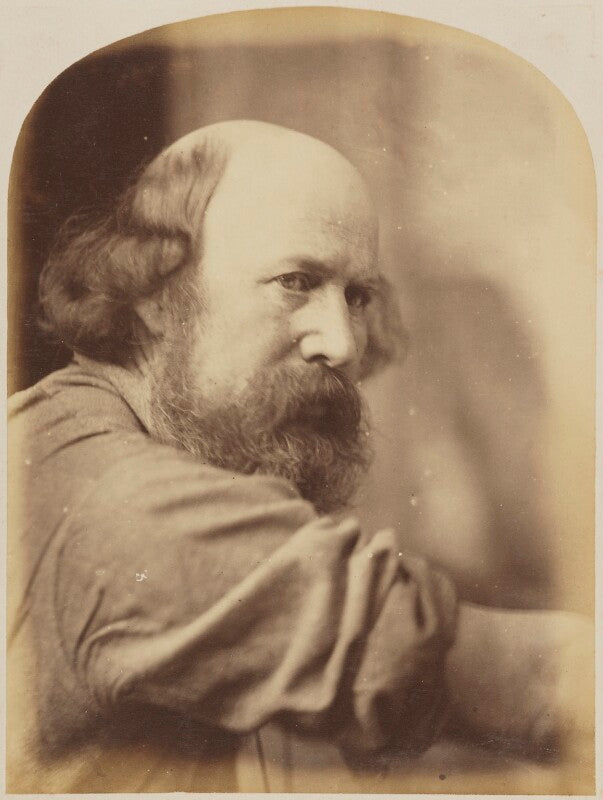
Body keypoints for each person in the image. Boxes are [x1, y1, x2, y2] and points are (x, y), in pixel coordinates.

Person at [7, 120, 591, 793]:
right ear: (155, 295)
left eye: (357, 296)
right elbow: (521, 679)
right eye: (295, 282)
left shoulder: (140, 455)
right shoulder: (110, 498)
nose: (342, 343)